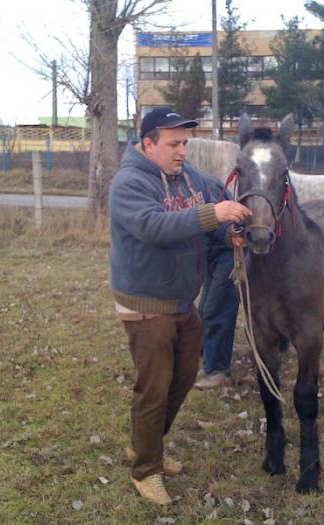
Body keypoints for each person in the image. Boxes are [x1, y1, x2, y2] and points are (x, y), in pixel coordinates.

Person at [109, 107, 251, 505]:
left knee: (183, 378)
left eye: (185, 143)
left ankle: (145, 443)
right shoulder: (129, 183)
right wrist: (212, 214)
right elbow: (155, 227)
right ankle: (145, 469)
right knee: (154, 389)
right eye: (173, 144)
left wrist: (230, 233)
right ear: (148, 143)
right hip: (147, 303)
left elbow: (213, 217)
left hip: (182, 301)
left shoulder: (188, 178)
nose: (182, 152)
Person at [194, 174, 240, 389]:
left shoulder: (200, 184)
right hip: (213, 253)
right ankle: (210, 364)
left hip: (227, 253)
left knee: (217, 310)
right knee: (205, 309)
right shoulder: (190, 181)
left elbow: (221, 220)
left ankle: (219, 370)